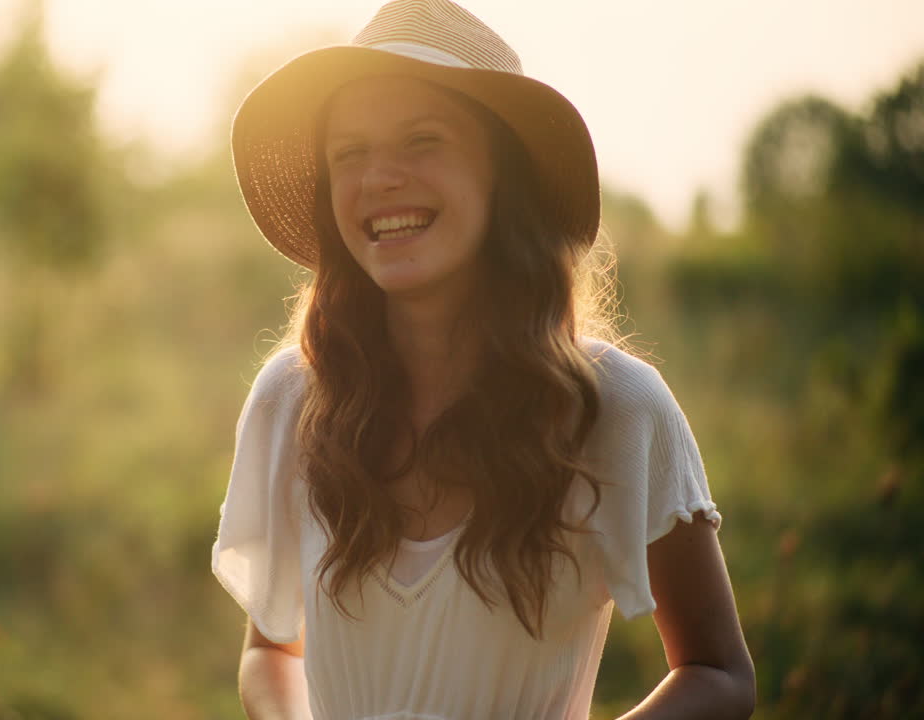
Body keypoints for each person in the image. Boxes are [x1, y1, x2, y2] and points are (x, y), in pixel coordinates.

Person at [211, 1, 755, 718]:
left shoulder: (614, 409)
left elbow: (719, 673)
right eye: (349, 152)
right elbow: (270, 651)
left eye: (421, 140)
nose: (379, 178)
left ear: (506, 174)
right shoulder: (294, 397)